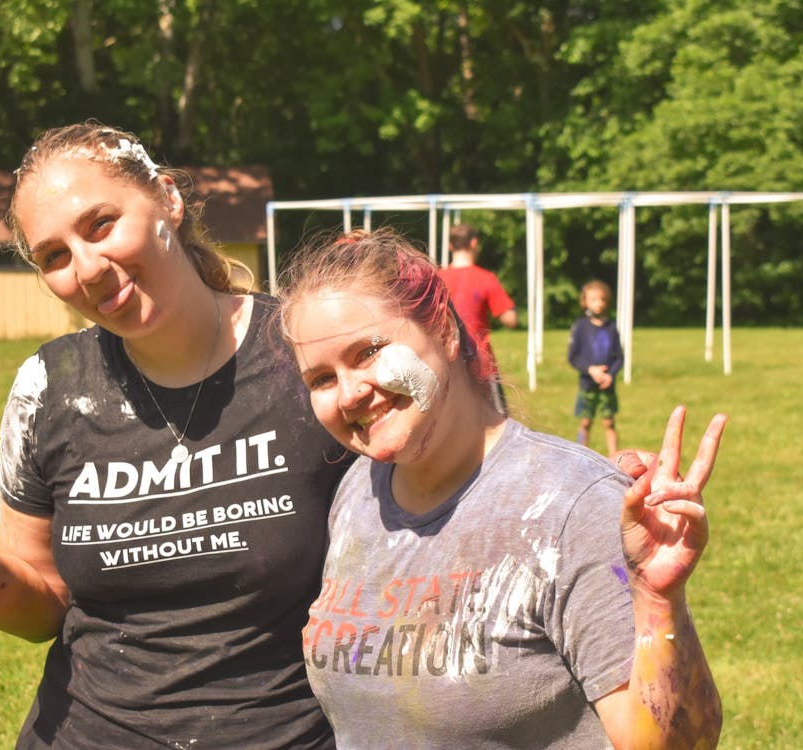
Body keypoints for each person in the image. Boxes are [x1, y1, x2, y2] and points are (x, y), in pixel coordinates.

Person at [0, 122, 352, 749]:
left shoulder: (307, 358)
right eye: (54, 256)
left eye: (101, 225)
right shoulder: (47, 387)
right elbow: (43, 605)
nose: (86, 268)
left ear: (167, 198)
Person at [277, 228, 725, 750]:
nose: (350, 393)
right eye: (321, 380)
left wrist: (659, 603)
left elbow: (676, 745)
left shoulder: (573, 506)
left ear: (444, 331)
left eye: (369, 351)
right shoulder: (356, 494)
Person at [439, 222, 517, 413]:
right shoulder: (486, 278)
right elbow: (511, 319)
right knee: (497, 423)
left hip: (445, 364)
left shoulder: (437, 278)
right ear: (474, 243)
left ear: (450, 246)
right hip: (480, 365)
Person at [568, 279, 624, 455]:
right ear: (585, 301)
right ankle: (582, 454)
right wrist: (590, 370)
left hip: (606, 385)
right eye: (593, 299)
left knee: (609, 421)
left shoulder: (612, 327)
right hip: (587, 384)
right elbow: (573, 357)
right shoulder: (580, 327)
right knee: (585, 421)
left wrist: (610, 375)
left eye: (601, 299)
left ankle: (614, 456)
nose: (598, 303)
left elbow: (619, 357)